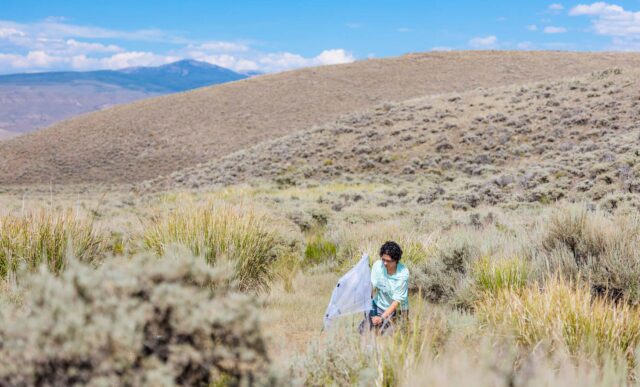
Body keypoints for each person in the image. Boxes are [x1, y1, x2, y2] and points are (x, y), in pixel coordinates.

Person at [360, 241, 409, 335]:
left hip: (398, 310)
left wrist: (382, 318)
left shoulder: (403, 273)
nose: (385, 263)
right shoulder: (378, 266)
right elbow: (371, 288)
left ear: (396, 260)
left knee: (393, 337)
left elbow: (396, 302)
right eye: (383, 259)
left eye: (388, 261)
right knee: (363, 331)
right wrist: (364, 271)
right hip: (379, 305)